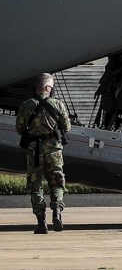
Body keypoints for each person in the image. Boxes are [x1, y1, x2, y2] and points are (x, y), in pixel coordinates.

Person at [16, 73, 72, 234]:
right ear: (48, 87)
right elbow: (67, 127)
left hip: (34, 150)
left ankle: (41, 223)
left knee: (36, 186)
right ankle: (57, 212)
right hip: (54, 150)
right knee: (57, 183)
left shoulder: (27, 105)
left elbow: (19, 129)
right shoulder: (58, 104)